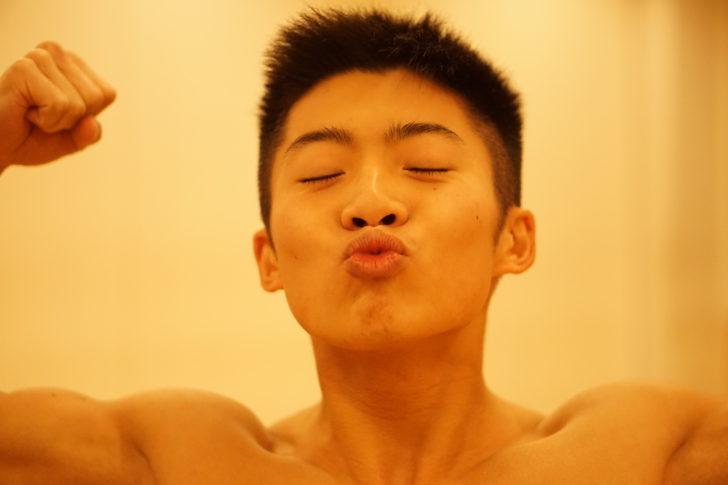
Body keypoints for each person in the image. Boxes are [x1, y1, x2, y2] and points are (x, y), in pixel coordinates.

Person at [0, 8, 725, 484]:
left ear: (514, 237)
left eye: (426, 167)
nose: (371, 201)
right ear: (269, 258)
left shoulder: (639, 450)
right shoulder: (177, 459)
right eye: (322, 174)